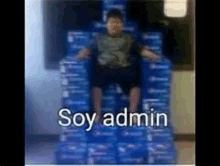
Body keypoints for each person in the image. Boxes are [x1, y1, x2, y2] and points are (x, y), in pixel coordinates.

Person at [77, 9, 160, 122]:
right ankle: (97, 114)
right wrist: (81, 54)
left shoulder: (128, 38)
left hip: (123, 68)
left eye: (117, 22)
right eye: (111, 22)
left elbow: (140, 50)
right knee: (96, 84)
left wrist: (152, 56)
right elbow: (88, 49)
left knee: (135, 83)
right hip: (104, 68)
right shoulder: (99, 37)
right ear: (106, 24)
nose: (114, 25)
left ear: (122, 24)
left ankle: (133, 113)